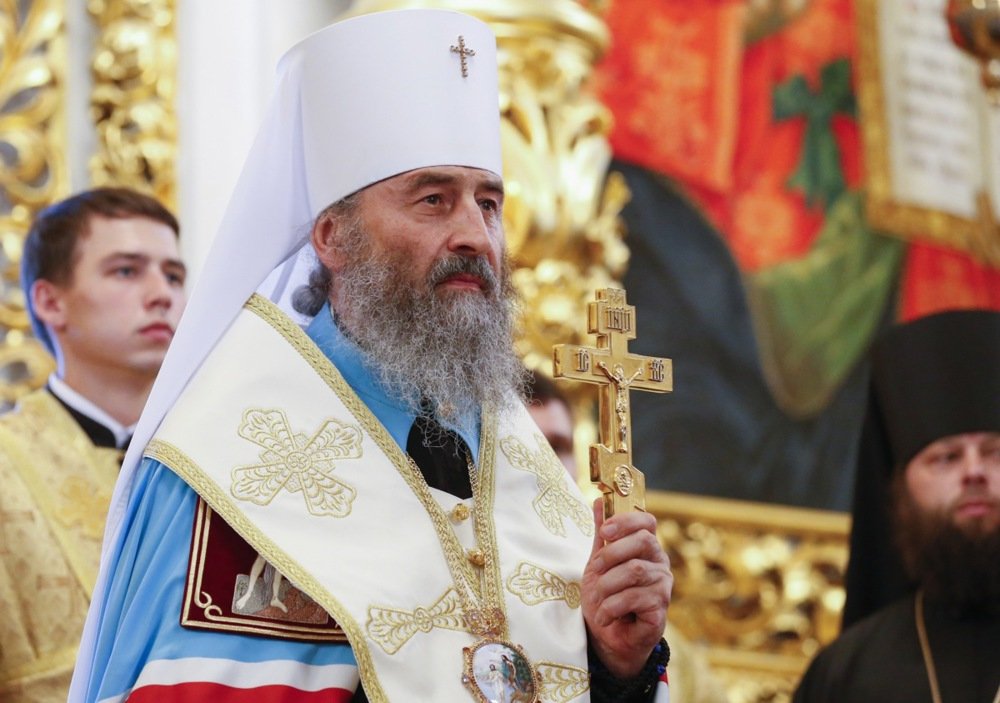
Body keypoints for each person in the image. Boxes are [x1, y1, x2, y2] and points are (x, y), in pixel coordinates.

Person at [69, 10, 672, 702]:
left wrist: (614, 664)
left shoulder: (518, 455)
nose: (476, 235)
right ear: (333, 236)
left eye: (488, 204)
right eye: (434, 200)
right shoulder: (222, 452)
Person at [0, 187, 186, 701]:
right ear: (50, 302)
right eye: (126, 271)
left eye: (174, 275)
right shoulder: (8, 462)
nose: (162, 294)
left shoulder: (216, 462)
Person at [792, 309, 1000, 702]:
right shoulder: (847, 674)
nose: (974, 472)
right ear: (901, 491)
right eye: (947, 457)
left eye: (994, 452)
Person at [526, 371, 731, 703]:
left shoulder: (646, 632)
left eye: (558, 447)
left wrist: (623, 664)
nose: (547, 466)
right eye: (527, 447)